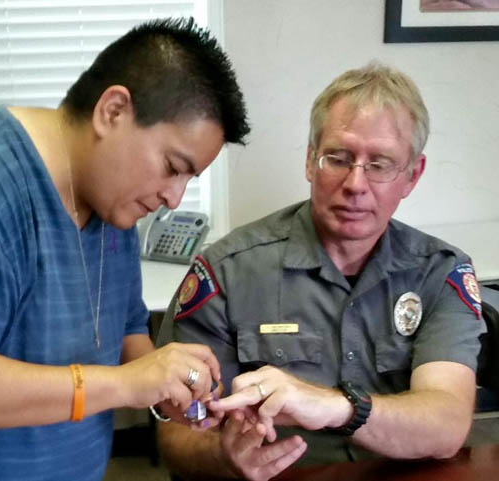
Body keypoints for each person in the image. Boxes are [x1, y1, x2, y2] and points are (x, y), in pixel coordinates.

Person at [0, 17, 249, 481]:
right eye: (171, 166)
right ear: (113, 111)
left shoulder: (114, 205)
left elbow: (124, 329)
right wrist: (126, 384)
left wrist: (169, 384)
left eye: (189, 179)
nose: (174, 198)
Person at [156, 62, 486, 481]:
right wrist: (223, 455)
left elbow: (447, 425)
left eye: (380, 164)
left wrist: (337, 406)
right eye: (339, 158)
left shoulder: (440, 272)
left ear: (412, 176)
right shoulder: (225, 272)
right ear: (311, 161)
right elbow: (176, 434)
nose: (355, 183)